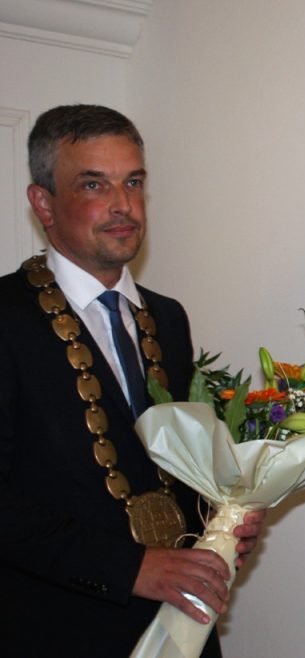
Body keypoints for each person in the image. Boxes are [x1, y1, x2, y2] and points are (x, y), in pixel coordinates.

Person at [0, 104, 265, 657]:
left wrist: (223, 521)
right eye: (94, 184)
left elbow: (171, 467)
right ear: (43, 203)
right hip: (52, 631)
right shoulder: (5, 316)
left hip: (182, 628)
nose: (123, 205)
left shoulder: (167, 317)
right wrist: (129, 569)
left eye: (134, 182)